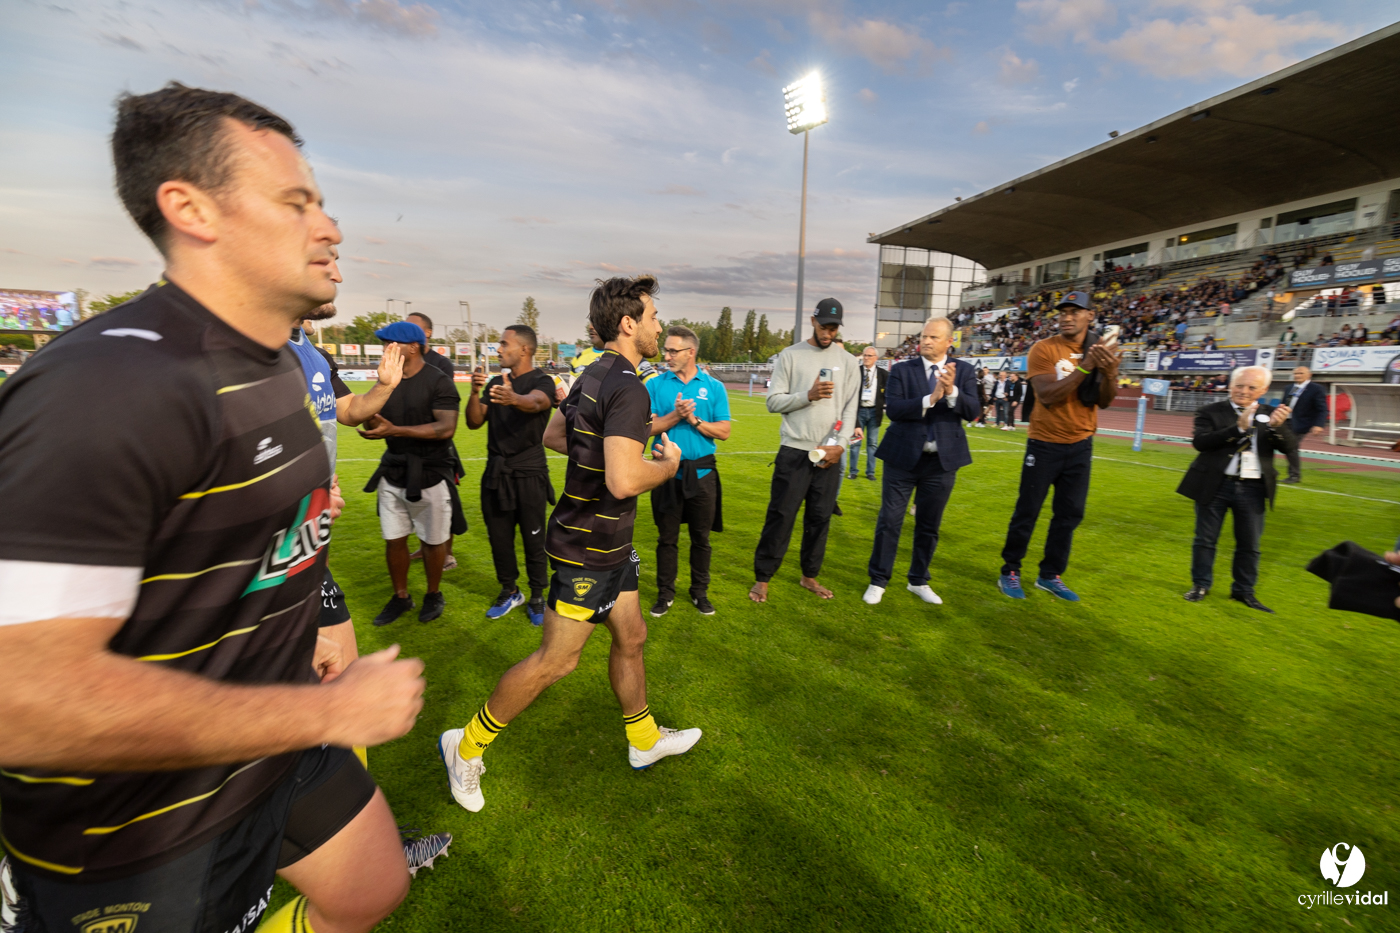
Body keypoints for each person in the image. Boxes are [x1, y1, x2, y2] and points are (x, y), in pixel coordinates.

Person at [0, 82, 424, 933]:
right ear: (191, 208)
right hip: (136, 822)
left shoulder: (271, 362)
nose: (330, 227)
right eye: (296, 202)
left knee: (372, 886)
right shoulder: (111, 385)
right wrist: (326, 712)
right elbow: (20, 698)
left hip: (269, 745)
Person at [438, 275, 701, 814]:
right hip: (587, 547)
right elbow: (625, 481)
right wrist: (667, 465)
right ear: (629, 324)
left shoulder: (593, 374)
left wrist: (631, 441)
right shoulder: (628, 384)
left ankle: (644, 740)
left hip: (607, 542)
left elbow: (556, 437)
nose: (657, 326)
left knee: (631, 636)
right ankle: (464, 747)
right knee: (555, 662)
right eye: (652, 317)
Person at [292, 295, 452, 875]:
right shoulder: (243, 348)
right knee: (307, 689)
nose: (331, 248)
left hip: (304, 541)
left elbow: (346, 410)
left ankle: (361, 834)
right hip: (268, 549)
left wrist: (380, 394)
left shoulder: (306, 348)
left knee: (340, 675)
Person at [997, 290, 1121, 602]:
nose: (1066, 317)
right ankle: (1010, 570)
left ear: (1090, 315)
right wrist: (1085, 367)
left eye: (1074, 311)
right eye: (1062, 312)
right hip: (1045, 443)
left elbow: (1105, 401)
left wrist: (1110, 373)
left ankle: (1050, 575)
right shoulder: (1044, 348)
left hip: (1081, 444)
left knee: (1069, 514)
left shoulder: (1100, 347)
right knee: (1028, 511)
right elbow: (1048, 395)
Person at [749, 298, 860, 603]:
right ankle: (763, 578)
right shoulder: (790, 356)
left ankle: (809, 575)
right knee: (781, 516)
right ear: (813, 321)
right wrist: (807, 395)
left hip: (830, 453)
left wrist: (840, 445)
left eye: (834, 327)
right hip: (794, 450)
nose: (828, 332)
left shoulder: (849, 362)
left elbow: (850, 409)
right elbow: (773, 402)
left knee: (820, 517)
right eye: (824, 325)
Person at [863, 317, 979, 606]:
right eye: (924, 336)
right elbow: (895, 410)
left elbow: (974, 410)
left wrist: (951, 392)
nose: (925, 341)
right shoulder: (903, 370)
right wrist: (931, 397)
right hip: (902, 459)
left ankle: (918, 580)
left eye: (933, 337)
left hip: (941, 462)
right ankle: (879, 580)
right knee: (889, 520)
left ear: (949, 342)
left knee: (929, 524)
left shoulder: (963, 371)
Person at [359, 320, 463, 626]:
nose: (385, 349)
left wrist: (396, 430)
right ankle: (401, 597)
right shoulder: (386, 381)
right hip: (393, 473)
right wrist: (375, 410)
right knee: (394, 540)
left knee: (433, 541)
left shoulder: (439, 381)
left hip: (430, 474)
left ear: (413, 347)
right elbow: (369, 421)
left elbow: (446, 428)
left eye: (391, 343)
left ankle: (433, 593)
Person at [1179, 365, 1297, 613]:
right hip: (1215, 484)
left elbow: (1289, 448)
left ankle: (1244, 591)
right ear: (1230, 385)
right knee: (1205, 540)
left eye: (1252, 387)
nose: (1244, 391)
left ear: (1263, 390)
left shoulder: (1271, 414)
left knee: (1250, 544)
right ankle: (1200, 585)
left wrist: (1277, 427)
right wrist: (1238, 429)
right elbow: (1200, 442)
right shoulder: (1210, 411)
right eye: (1239, 385)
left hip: (1253, 488)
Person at [465, 324, 557, 627]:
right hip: (496, 474)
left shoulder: (542, 380)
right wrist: (475, 392)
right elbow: (474, 422)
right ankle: (510, 590)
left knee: (534, 540)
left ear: (524, 350)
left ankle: (537, 596)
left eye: (504, 344)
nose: (499, 349)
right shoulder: (495, 382)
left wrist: (512, 398)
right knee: (499, 539)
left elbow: (539, 402)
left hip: (529, 474)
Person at [646, 324, 731, 617]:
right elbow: (647, 427)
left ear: (690, 352)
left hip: (703, 474)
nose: (666, 355)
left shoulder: (715, 387)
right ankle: (665, 594)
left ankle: (699, 592)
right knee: (666, 538)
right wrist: (675, 415)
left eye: (672, 350)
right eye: (665, 349)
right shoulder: (655, 385)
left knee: (701, 538)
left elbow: (724, 431)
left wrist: (693, 420)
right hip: (665, 472)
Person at [405, 311, 465, 571]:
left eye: (413, 327)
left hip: (438, 447)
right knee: (417, 499)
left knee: (445, 500)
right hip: (410, 444)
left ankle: (448, 553)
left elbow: (437, 403)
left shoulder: (441, 364)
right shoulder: (402, 359)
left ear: (427, 333)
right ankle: (423, 545)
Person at [571, 320, 659, 386]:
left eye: (596, 321)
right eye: (591, 322)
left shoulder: (630, 355)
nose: (591, 327)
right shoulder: (578, 358)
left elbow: (656, 386)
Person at [1282, 365, 1327, 483]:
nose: (1297, 376)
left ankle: (1294, 475)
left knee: (1291, 447)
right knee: (1287, 447)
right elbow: (1284, 404)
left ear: (1309, 375)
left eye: (1301, 373)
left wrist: (1319, 424)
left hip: (1302, 423)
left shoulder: (1316, 388)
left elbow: (1322, 409)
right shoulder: (1289, 387)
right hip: (1285, 421)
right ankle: (1292, 474)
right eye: (1296, 373)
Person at [848, 346, 887, 480]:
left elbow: (886, 394)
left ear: (876, 358)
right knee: (855, 442)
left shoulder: (883, 374)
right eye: (864, 355)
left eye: (869, 356)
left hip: (874, 411)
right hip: (859, 411)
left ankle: (870, 472)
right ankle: (853, 471)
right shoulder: (856, 372)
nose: (866, 358)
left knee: (872, 443)